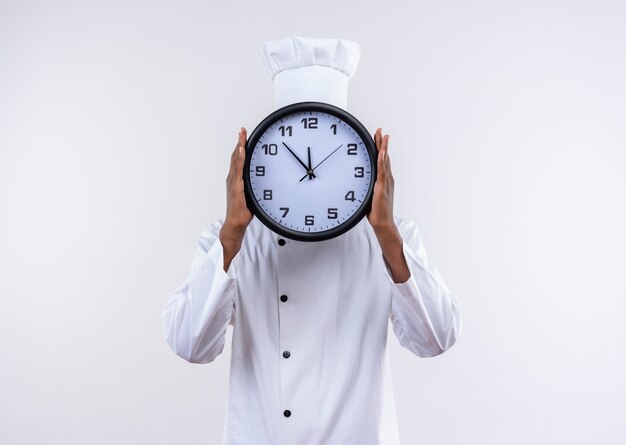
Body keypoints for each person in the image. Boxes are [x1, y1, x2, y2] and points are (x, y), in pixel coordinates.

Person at [162, 36, 461, 445]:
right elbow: (189, 345)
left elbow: (437, 339)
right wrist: (232, 232)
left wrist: (387, 233)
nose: (309, 176)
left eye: (331, 152)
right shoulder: (232, 242)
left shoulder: (390, 238)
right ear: (254, 161)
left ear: (365, 161)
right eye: (289, 157)